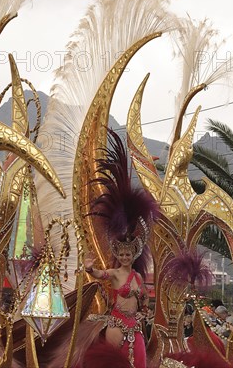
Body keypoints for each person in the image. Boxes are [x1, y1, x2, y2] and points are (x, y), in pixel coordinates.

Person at [82, 128, 159, 368]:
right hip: (115, 325)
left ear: (134, 254)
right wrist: (90, 268)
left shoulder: (137, 276)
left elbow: (145, 303)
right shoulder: (115, 274)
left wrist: (143, 313)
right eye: (122, 253)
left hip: (134, 326)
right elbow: (98, 275)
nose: (125, 256)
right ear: (117, 254)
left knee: (140, 363)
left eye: (128, 253)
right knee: (114, 364)